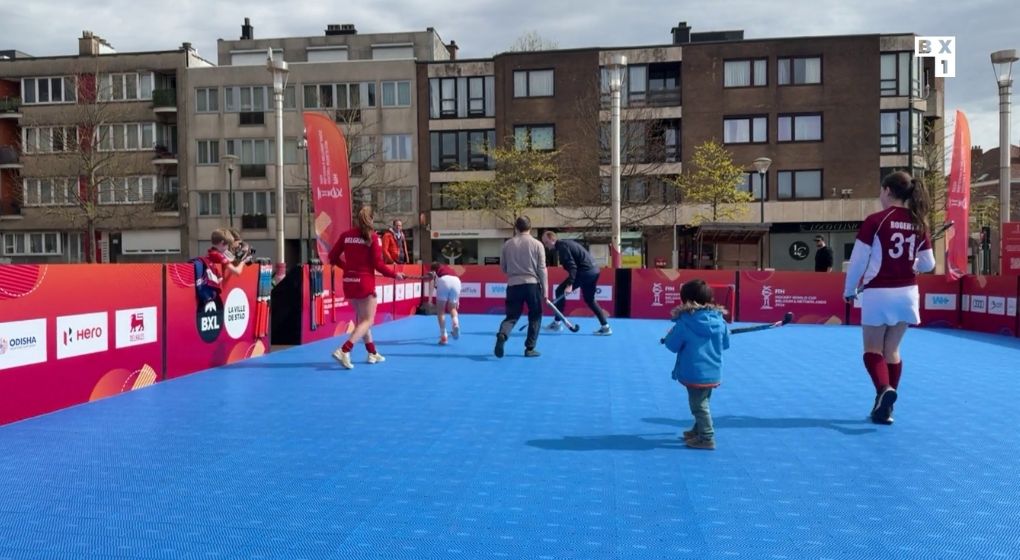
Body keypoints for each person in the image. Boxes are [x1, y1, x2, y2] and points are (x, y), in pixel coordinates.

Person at [843, 171, 935, 425]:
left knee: (872, 349)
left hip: (879, 293)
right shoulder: (918, 222)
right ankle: (885, 408)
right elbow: (928, 264)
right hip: (908, 294)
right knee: (892, 349)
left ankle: (884, 389)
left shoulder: (876, 220)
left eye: (881, 191)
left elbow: (858, 261)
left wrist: (849, 290)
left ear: (887, 191)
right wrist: (913, 263)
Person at [328, 206, 405, 369]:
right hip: (364, 282)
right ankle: (344, 349)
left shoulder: (346, 236)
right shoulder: (373, 237)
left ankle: (372, 352)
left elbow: (332, 257)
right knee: (368, 320)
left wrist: (347, 268)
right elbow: (378, 264)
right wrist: (395, 275)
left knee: (363, 321)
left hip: (348, 281)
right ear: (372, 219)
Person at [662, 279, 730, 451]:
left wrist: (670, 335)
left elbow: (672, 345)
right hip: (713, 370)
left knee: (698, 406)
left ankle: (707, 437)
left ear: (685, 299)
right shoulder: (720, 320)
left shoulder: (685, 322)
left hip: (694, 372)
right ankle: (698, 430)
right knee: (703, 401)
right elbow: (725, 344)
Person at [494, 216, 548, 358]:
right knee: (535, 315)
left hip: (513, 284)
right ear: (531, 228)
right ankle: (530, 348)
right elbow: (542, 269)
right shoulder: (537, 244)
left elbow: (503, 268)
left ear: (516, 228)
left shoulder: (507, 244)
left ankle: (503, 334)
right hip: (532, 284)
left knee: (511, 316)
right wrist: (545, 290)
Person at [541, 231, 612, 335]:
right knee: (590, 299)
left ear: (552, 239)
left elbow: (572, 267)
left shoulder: (562, 246)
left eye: (546, 242)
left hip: (585, 272)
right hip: (594, 271)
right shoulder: (565, 244)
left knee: (560, 290)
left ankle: (557, 324)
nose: (545, 246)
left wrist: (570, 284)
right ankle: (605, 327)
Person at [204, 229, 245, 297]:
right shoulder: (218, 255)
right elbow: (237, 272)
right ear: (222, 243)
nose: (228, 248)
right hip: (215, 290)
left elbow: (232, 260)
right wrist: (243, 262)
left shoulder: (210, 252)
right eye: (228, 245)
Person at [431, 262, 462, 345]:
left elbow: (435, 284)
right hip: (457, 281)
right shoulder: (448, 268)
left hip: (444, 280)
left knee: (441, 311)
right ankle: (455, 323)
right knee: (452, 308)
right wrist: (458, 300)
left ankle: (444, 336)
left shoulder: (435, 272)